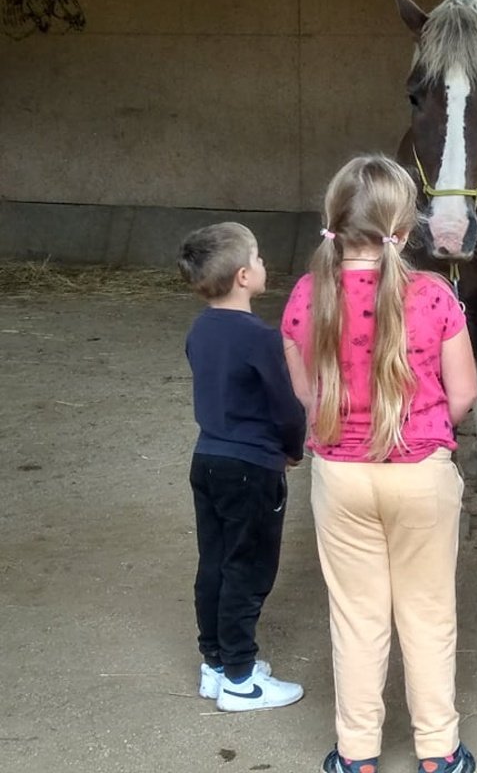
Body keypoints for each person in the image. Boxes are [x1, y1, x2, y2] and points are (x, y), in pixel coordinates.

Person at [280, 155, 477, 773]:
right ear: (405, 226)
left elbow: (306, 393)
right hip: (421, 472)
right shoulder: (435, 294)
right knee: (428, 613)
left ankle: (357, 754)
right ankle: (438, 751)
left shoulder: (307, 295)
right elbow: (465, 393)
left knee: (356, 617)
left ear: (334, 220)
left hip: (340, 474)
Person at [177, 221, 307, 712]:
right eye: (257, 257)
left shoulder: (199, 330)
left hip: (207, 459)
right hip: (252, 467)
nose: (263, 264)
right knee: (248, 569)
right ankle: (240, 677)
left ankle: (214, 662)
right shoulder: (261, 338)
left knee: (214, 561)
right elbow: (287, 408)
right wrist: (293, 448)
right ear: (243, 276)